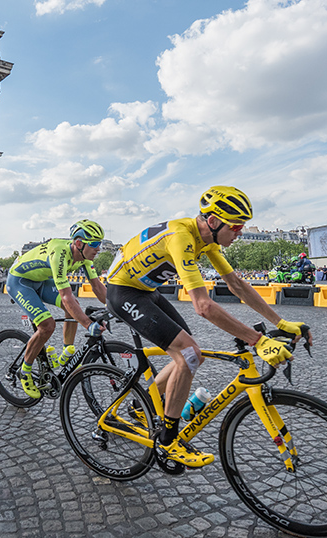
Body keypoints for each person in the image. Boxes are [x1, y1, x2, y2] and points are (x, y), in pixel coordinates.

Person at [106, 186, 312, 468]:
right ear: (213, 221)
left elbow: (237, 284)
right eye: (237, 226)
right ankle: (167, 441)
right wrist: (258, 340)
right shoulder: (181, 237)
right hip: (123, 292)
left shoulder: (209, 240)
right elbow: (203, 306)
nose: (239, 233)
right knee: (189, 354)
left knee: (193, 354)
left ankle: (139, 405)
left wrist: (282, 323)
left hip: (146, 291)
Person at [7, 219, 108, 398]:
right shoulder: (59, 254)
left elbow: (97, 286)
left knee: (73, 307)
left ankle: (67, 352)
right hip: (20, 281)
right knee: (47, 325)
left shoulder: (85, 257)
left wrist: (117, 307)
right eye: (94, 244)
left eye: (99, 243)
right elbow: (66, 296)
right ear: (79, 243)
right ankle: (25, 370)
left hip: (41, 280)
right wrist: (88, 325)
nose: (98, 248)